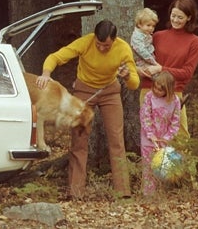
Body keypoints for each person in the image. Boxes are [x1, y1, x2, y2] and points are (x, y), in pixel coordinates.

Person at [36, 19, 139, 199]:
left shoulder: (123, 49)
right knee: (79, 139)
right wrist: (46, 73)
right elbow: (56, 56)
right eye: (99, 44)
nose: (101, 48)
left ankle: (123, 192)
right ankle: (76, 192)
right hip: (84, 91)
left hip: (110, 92)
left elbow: (134, 83)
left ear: (113, 41)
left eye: (106, 46)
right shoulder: (86, 42)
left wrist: (128, 76)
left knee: (116, 139)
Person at [139, 0, 198, 142]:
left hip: (174, 92)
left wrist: (160, 69)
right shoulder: (157, 36)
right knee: (150, 135)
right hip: (149, 90)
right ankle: (151, 165)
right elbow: (142, 59)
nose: (175, 20)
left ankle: (180, 166)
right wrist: (139, 70)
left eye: (180, 17)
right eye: (173, 15)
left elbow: (186, 73)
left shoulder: (195, 42)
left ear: (189, 17)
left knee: (179, 136)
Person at [140, 71, 180, 196]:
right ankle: (149, 194)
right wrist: (151, 134)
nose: (156, 91)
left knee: (163, 166)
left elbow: (175, 121)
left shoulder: (175, 100)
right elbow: (145, 116)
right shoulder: (149, 96)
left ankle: (162, 192)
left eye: (160, 90)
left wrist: (167, 137)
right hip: (149, 138)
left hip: (164, 140)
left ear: (168, 90)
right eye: (155, 87)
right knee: (148, 166)